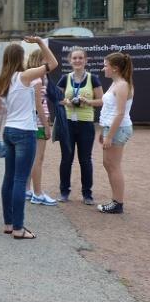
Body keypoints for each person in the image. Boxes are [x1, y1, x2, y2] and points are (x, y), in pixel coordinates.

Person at [0, 37, 58, 239]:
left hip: (9, 130)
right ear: (21, 57)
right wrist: (39, 42)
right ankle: (19, 228)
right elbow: (53, 64)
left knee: (9, 178)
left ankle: (9, 223)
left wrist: (12, 104)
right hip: (25, 130)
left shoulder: (1, 80)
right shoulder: (25, 76)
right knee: (21, 179)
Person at [56, 47, 104, 205]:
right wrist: (66, 102)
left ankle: (87, 194)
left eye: (80, 58)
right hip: (68, 123)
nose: (77, 61)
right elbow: (56, 98)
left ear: (85, 60)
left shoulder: (93, 78)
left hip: (86, 124)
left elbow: (101, 101)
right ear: (70, 61)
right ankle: (64, 192)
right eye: (74, 58)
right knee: (66, 159)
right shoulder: (65, 78)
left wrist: (88, 102)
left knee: (85, 160)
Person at [97, 52, 134, 214]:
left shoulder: (122, 85)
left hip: (119, 129)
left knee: (113, 165)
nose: (103, 68)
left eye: (106, 65)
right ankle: (115, 200)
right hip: (111, 128)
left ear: (115, 68)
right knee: (108, 164)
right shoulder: (115, 83)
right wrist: (104, 131)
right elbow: (109, 110)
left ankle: (118, 203)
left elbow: (119, 114)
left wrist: (109, 136)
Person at [25, 49, 56, 206]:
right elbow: (39, 104)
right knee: (38, 158)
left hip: (32, 121)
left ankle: (28, 189)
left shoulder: (30, 76)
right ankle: (37, 193)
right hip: (39, 121)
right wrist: (47, 125)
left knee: (32, 158)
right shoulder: (38, 78)